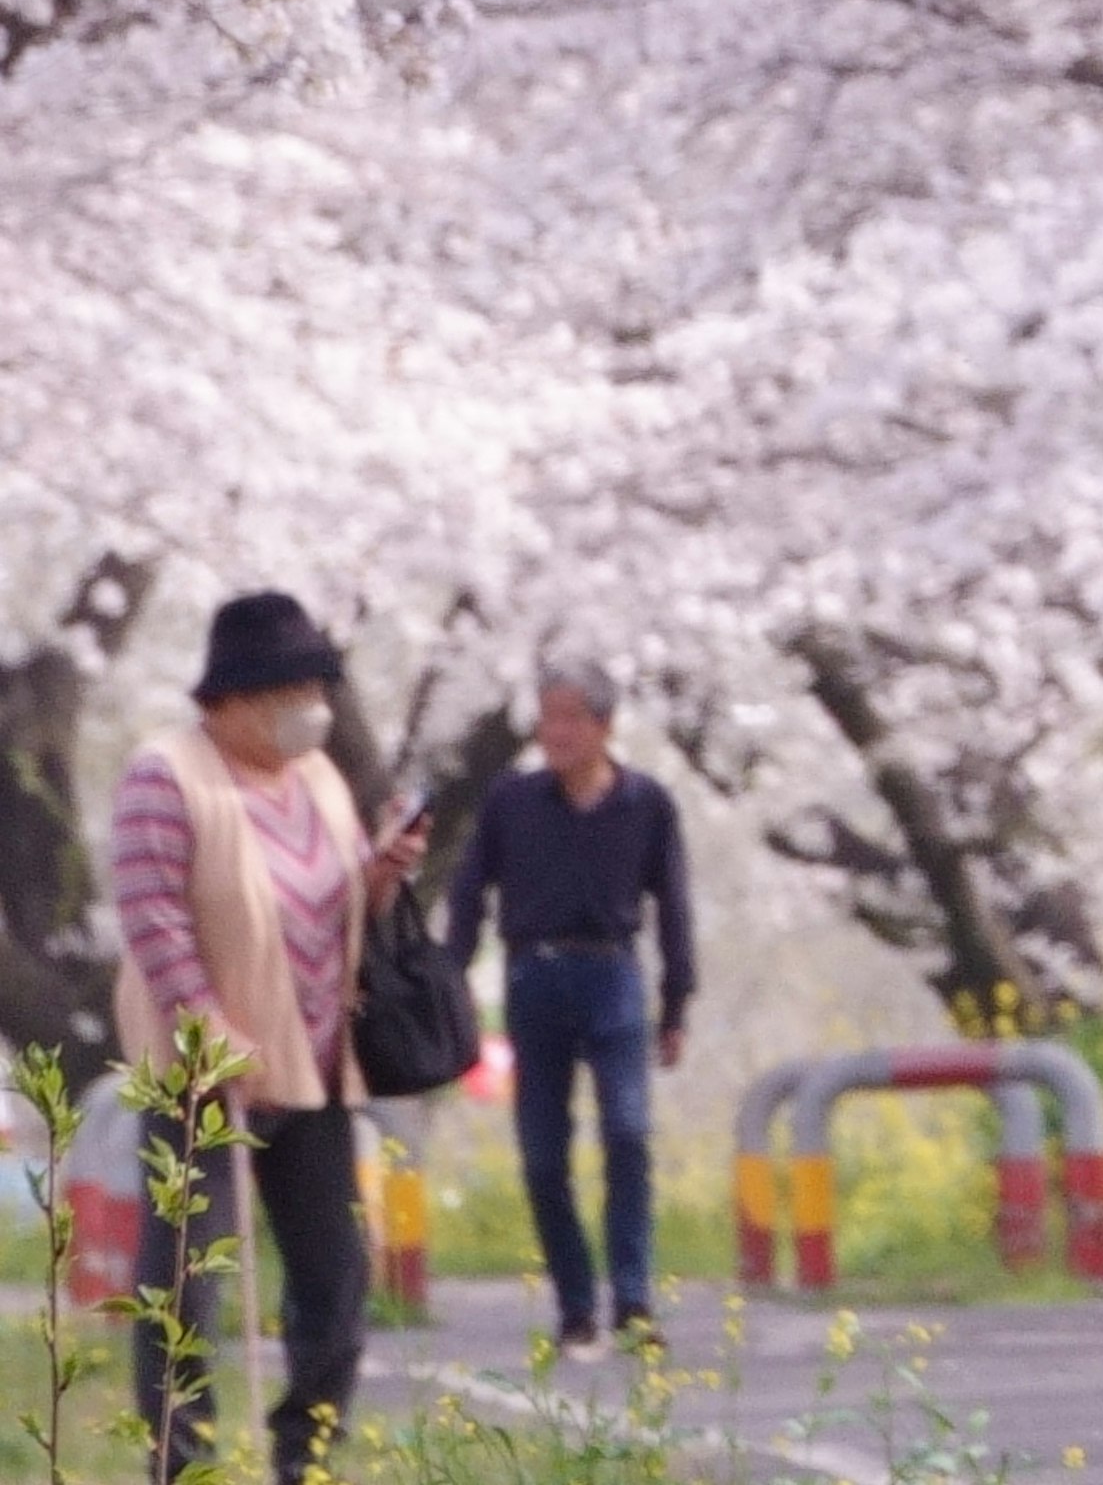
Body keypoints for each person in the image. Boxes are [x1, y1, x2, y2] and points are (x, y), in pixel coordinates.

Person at [107, 590, 428, 1485]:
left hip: (317, 1067)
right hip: (200, 1077)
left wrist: (382, 875)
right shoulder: (164, 775)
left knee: (336, 1275)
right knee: (187, 1285)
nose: (312, 707)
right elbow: (153, 916)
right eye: (294, 688)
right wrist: (209, 1031)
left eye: (316, 686)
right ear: (235, 697)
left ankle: (307, 1457)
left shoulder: (320, 778)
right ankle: (186, 1464)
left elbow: (333, 909)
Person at [444, 657, 698, 1355]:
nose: (554, 732)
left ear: (605, 726)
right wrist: (452, 973)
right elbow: (469, 891)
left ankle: (634, 1299)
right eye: (546, 717)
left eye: (569, 718)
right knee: (543, 1157)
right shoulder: (511, 801)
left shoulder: (647, 804)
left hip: (614, 973)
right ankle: (576, 1304)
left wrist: (676, 1004)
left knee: (628, 1133)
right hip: (534, 975)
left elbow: (673, 906)